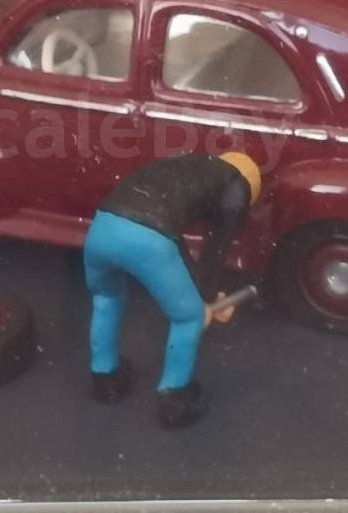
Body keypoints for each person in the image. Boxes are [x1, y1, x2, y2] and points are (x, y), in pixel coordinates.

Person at [83, 152, 260, 429]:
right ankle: (175, 399)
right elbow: (215, 248)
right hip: (148, 238)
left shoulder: (192, 166)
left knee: (107, 297)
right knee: (189, 317)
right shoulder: (236, 187)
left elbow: (171, 230)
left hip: (102, 228)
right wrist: (206, 299)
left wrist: (200, 290)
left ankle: (105, 378)